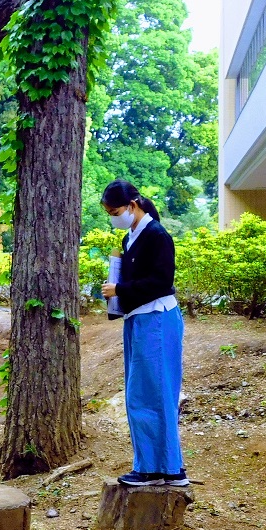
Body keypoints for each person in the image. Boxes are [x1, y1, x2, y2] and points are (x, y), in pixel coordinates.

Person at [99, 180, 188, 487]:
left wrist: (120, 288)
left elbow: (162, 282)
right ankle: (155, 465)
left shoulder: (157, 236)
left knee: (157, 392)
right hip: (137, 319)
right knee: (139, 393)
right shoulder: (130, 238)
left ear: (132, 206)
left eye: (115, 211)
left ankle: (165, 468)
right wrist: (115, 295)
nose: (113, 216)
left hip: (157, 320)